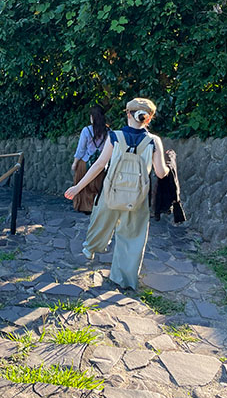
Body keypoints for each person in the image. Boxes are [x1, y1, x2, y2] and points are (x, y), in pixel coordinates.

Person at [64, 98, 169, 289]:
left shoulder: (115, 136)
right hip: (137, 198)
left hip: (111, 193)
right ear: (149, 118)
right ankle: (124, 279)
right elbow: (161, 173)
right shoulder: (154, 141)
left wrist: (77, 187)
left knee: (101, 220)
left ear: (128, 114)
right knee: (132, 237)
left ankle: (92, 247)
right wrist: (170, 165)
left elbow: (99, 165)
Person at [70, 106, 109, 214]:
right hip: (100, 164)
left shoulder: (86, 130)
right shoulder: (108, 132)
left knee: (83, 185)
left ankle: (83, 206)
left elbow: (81, 149)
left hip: (85, 162)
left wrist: (75, 163)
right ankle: (96, 207)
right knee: (97, 185)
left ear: (92, 117)